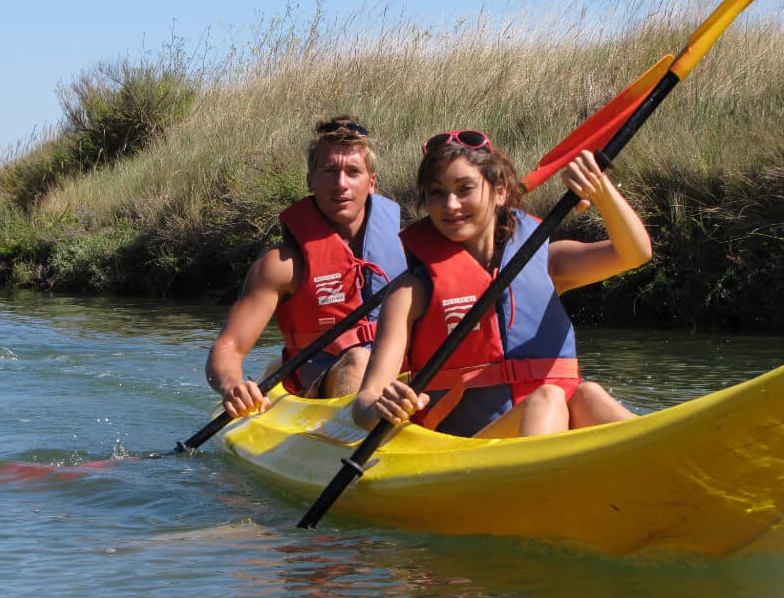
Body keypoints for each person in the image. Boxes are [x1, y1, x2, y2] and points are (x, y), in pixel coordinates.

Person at [352, 129, 652, 439]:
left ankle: (662, 459)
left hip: (546, 436)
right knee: (547, 399)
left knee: (588, 395)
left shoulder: (547, 263)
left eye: (464, 188)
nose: (450, 204)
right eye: (437, 192)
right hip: (466, 449)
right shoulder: (410, 292)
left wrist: (600, 190)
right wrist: (381, 407)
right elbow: (363, 406)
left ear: (499, 191)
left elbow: (635, 254)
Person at [206, 116, 407, 419]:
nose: (341, 184)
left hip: (396, 377)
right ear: (310, 180)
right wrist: (233, 386)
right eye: (329, 171)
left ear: (372, 181)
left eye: (353, 172)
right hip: (321, 380)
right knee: (359, 361)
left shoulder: (408, 251)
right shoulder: (282, 265)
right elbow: (227, 348)